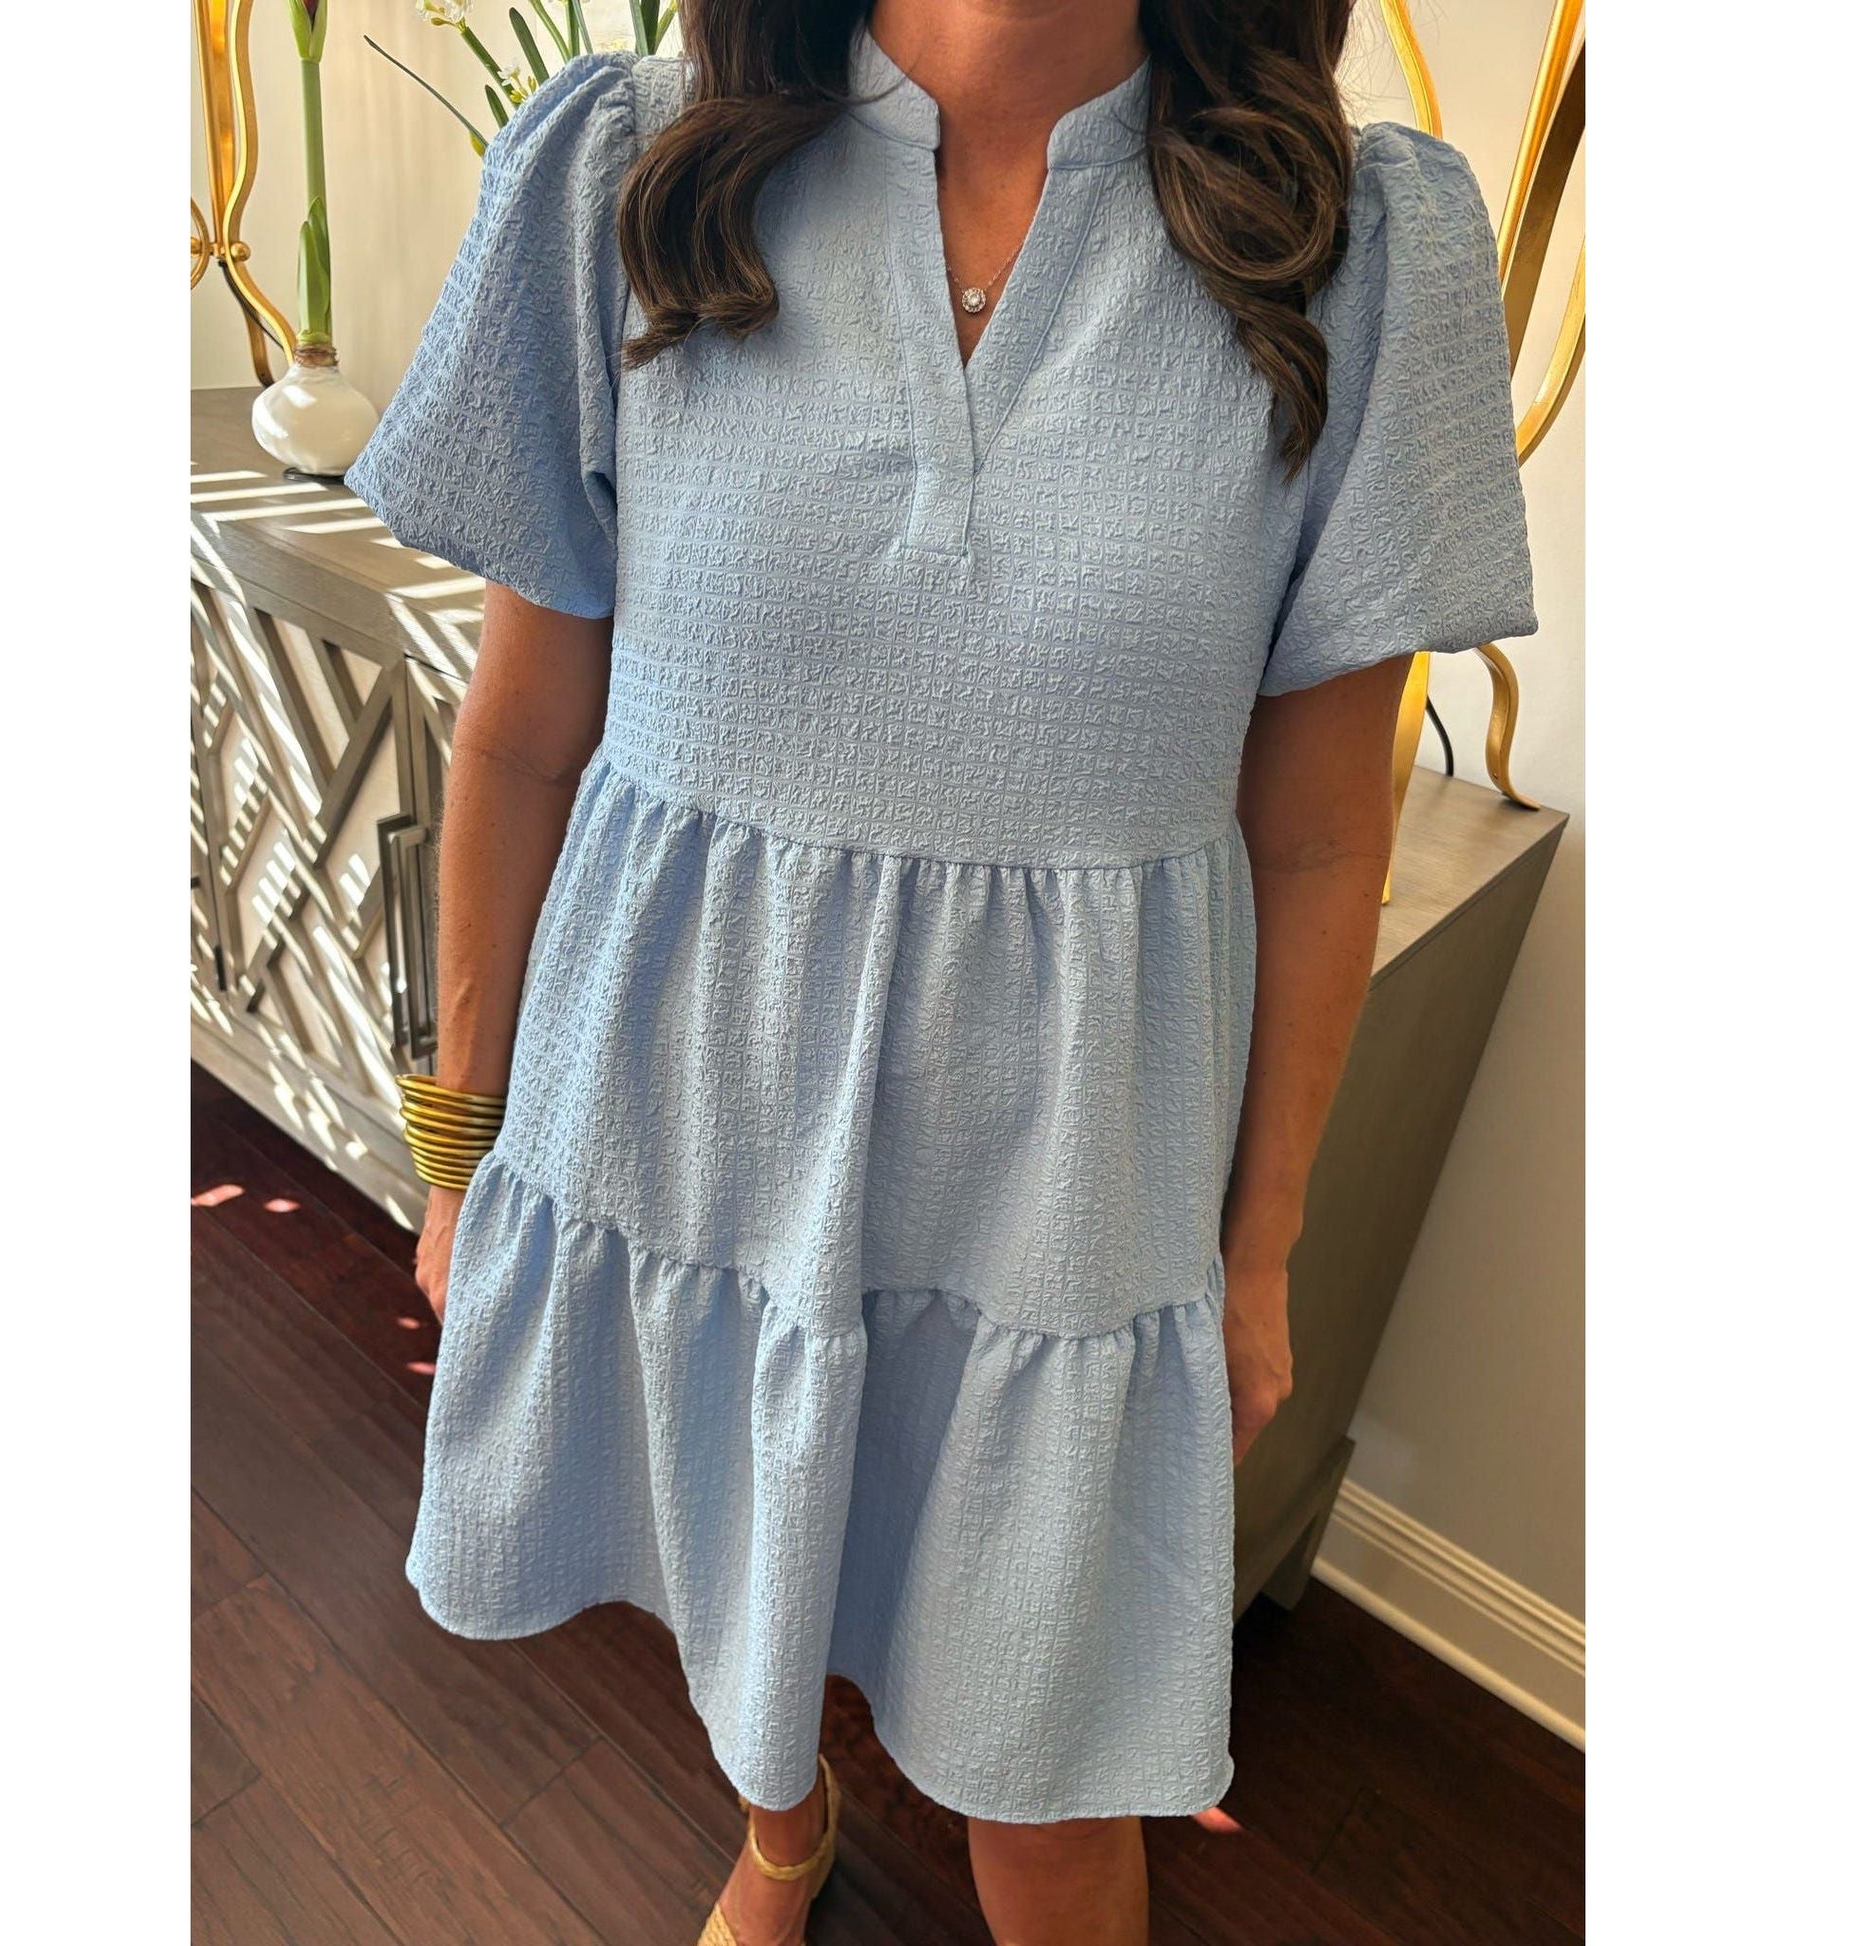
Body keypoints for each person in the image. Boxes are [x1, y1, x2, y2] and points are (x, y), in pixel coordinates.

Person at [345, 1, 1535, 1939]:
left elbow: (1319, 835)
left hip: (1063, 1207)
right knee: (741, 1578)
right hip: (678, 1132)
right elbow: (519, 733)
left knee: (1051, 1786)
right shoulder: (633, 169)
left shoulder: (1355, 247)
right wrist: (461, 1149)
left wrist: (1254, 1250)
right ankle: (781, 1826)